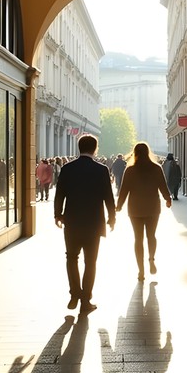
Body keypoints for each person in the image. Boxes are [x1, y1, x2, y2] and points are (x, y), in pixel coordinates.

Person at [53, 134, 116, 314]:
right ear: (95, 148)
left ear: (79, 147)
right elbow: (108, 196)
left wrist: (58, 214)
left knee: (71, 257)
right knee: (91, 262)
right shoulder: (101, 170)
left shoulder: (67, 168)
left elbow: (60, 194)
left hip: (72, 221)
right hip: (94, 223)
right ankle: (86, 299)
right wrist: (112, 217)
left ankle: (74, 294)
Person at [116, 142, 173, 280]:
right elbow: (163, 186)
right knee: (151, 235)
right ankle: (151, 259)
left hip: (135, 208)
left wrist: (119, 205)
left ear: (135, 153)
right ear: (148, 152)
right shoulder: (156, 168)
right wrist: (167, 198)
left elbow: (124, 190)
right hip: (153, 207)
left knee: (138, 238)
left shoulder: (130, 170)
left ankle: (141, 270)